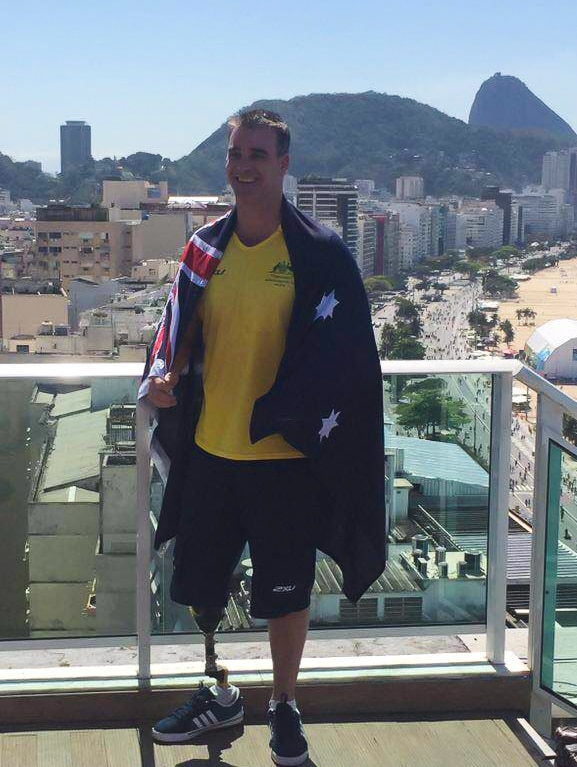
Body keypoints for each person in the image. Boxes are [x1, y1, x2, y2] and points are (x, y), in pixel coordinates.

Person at [139, 109, 386, 766]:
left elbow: (351, 357)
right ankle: (217, 691)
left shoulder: (319, 253)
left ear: (282, 162)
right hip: (212, 451)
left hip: (284, 459)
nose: (241, 165)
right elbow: (175, 335)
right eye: (233, 153)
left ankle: (282, 703)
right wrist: (160, 379)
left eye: (255, 153)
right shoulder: (202, 248)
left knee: (285, 590)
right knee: (202, 583)